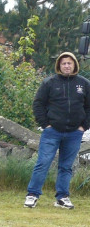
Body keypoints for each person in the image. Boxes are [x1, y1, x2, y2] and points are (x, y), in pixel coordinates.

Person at [25, 51, 90, 210]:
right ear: (59, 66)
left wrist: (83, 127)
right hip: (52, 132)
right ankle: (32, 195)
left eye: (69, 63)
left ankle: (62, 197)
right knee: (43, 163)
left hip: (74, 133)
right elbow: (38, 104)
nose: (67, 66)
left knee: (66, 166)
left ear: (74, 64)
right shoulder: (49, 83)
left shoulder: (84, 84)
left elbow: (89, 107)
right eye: (63, 63)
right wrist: (45, 124)